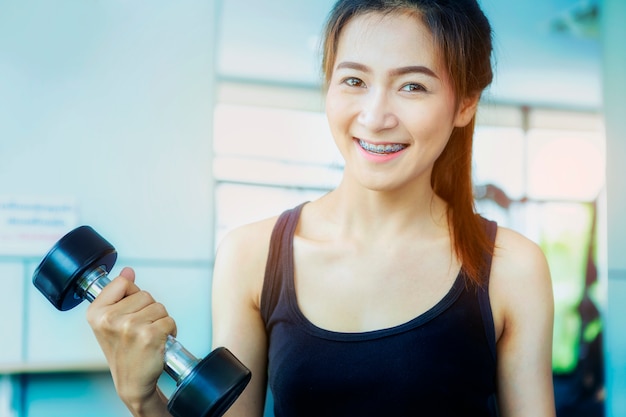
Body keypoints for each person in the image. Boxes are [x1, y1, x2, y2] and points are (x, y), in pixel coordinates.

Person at [87, 0, 556, 416]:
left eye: (412, 87)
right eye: (353, 80)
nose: (374, 117)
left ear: (465, 104)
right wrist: (142, 400)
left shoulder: (513, 267)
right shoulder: (251, 256)